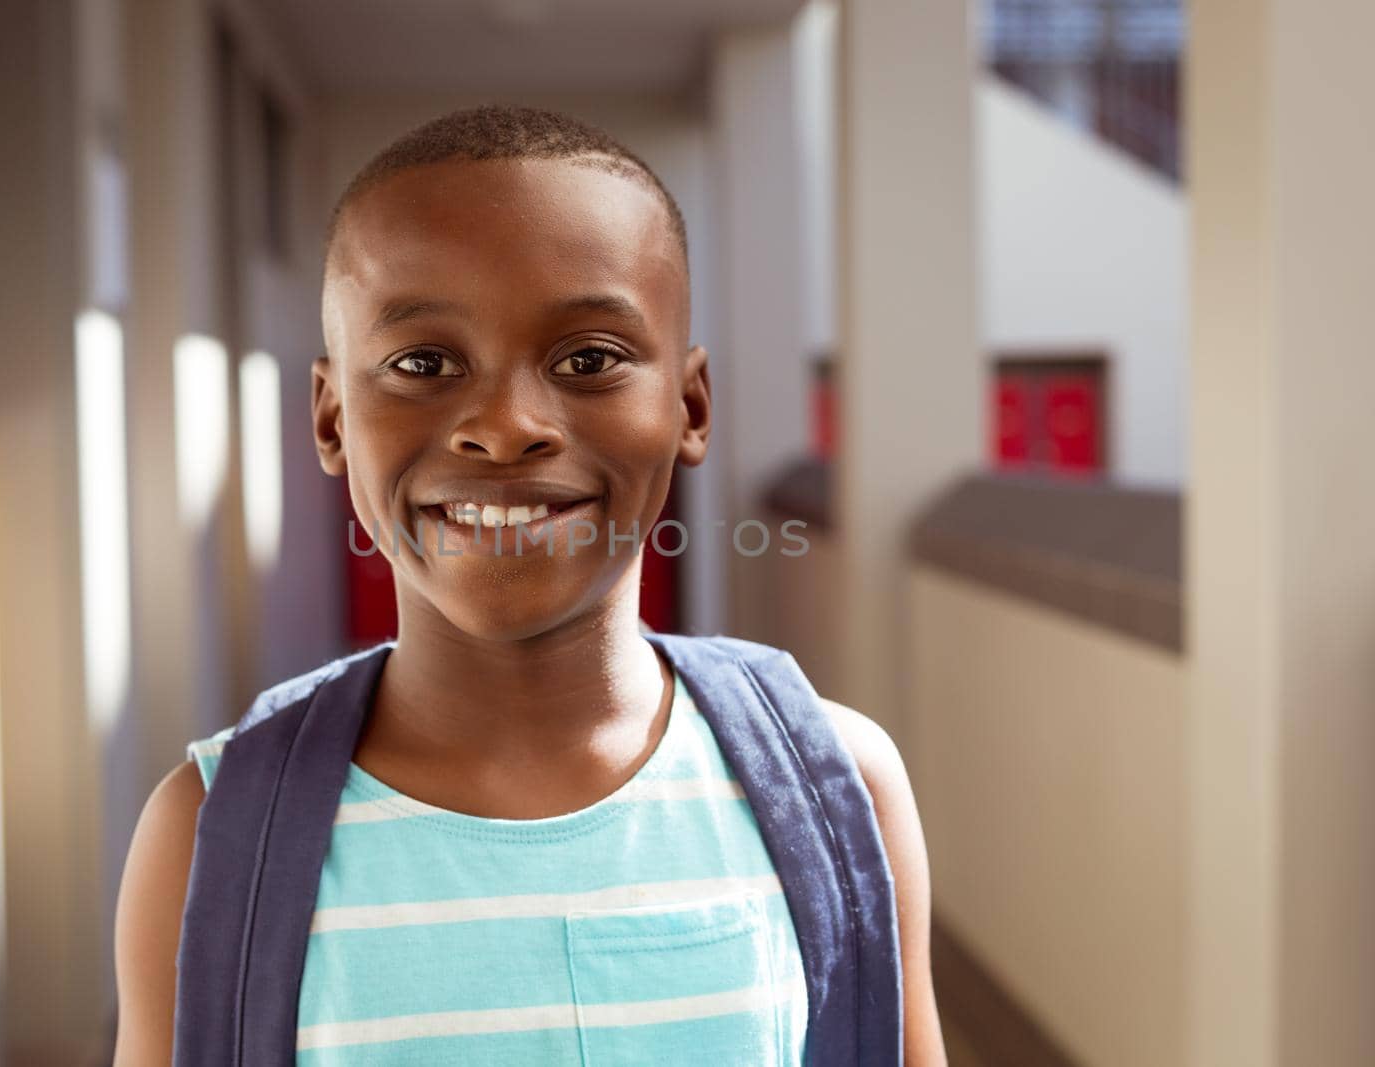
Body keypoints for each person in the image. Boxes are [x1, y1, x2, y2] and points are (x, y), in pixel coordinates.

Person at [113, 104, 944, 1066]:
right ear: (334, 419)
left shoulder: (836, 790)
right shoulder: (209, 834)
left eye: (589, 359)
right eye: (423, 362)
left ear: (690, 404)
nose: (505, 426)